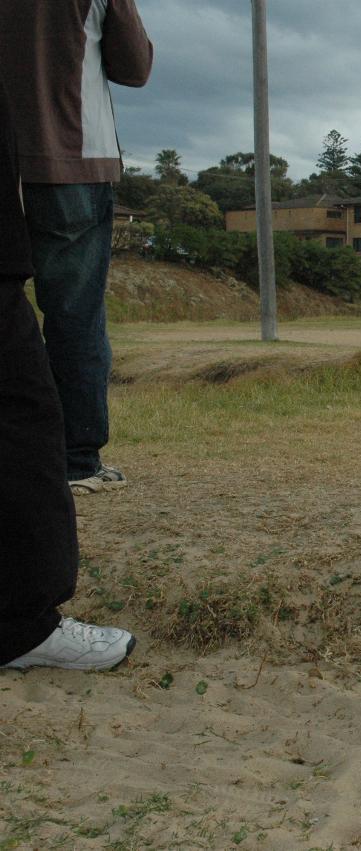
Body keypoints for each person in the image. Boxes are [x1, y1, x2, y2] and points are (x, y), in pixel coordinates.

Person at [1, 79, 137, 672]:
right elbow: (134, 62)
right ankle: (19, 624)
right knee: (29, 387)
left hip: (35, 152)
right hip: (65, 150)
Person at [0, 0, 153, 495]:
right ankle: (76, 459)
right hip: (74, 160)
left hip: (7, 156)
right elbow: (135, 67)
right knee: (75, 316)